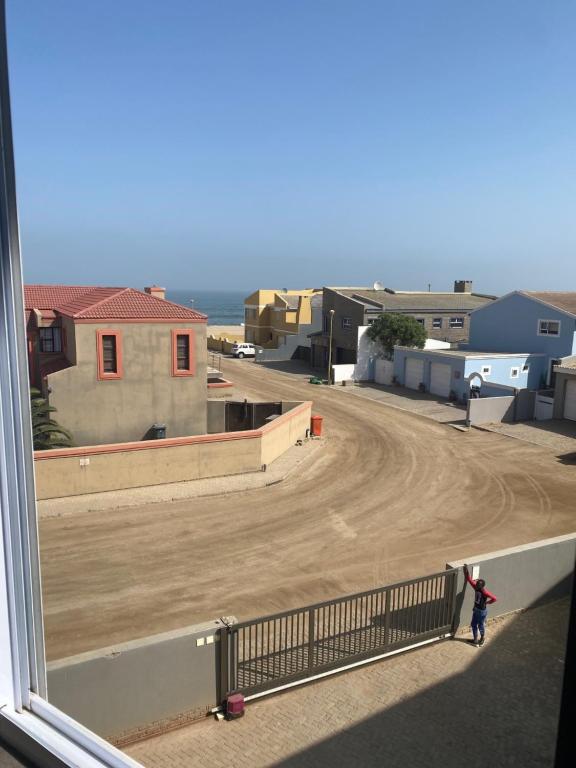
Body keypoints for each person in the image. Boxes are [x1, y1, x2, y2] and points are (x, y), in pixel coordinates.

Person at [463, 564, 497, 647]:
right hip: (476, 610)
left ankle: (481, 639)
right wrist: (466, 570)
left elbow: (494, 598)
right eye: (477, 583)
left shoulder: (485, 592)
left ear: (482, 586)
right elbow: (469, 579)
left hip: (482, 611)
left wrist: (487, 603)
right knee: (474, 624)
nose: (476, 585)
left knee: (480, 625)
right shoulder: (476, 587)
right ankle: (475, 640)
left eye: (478, 584)